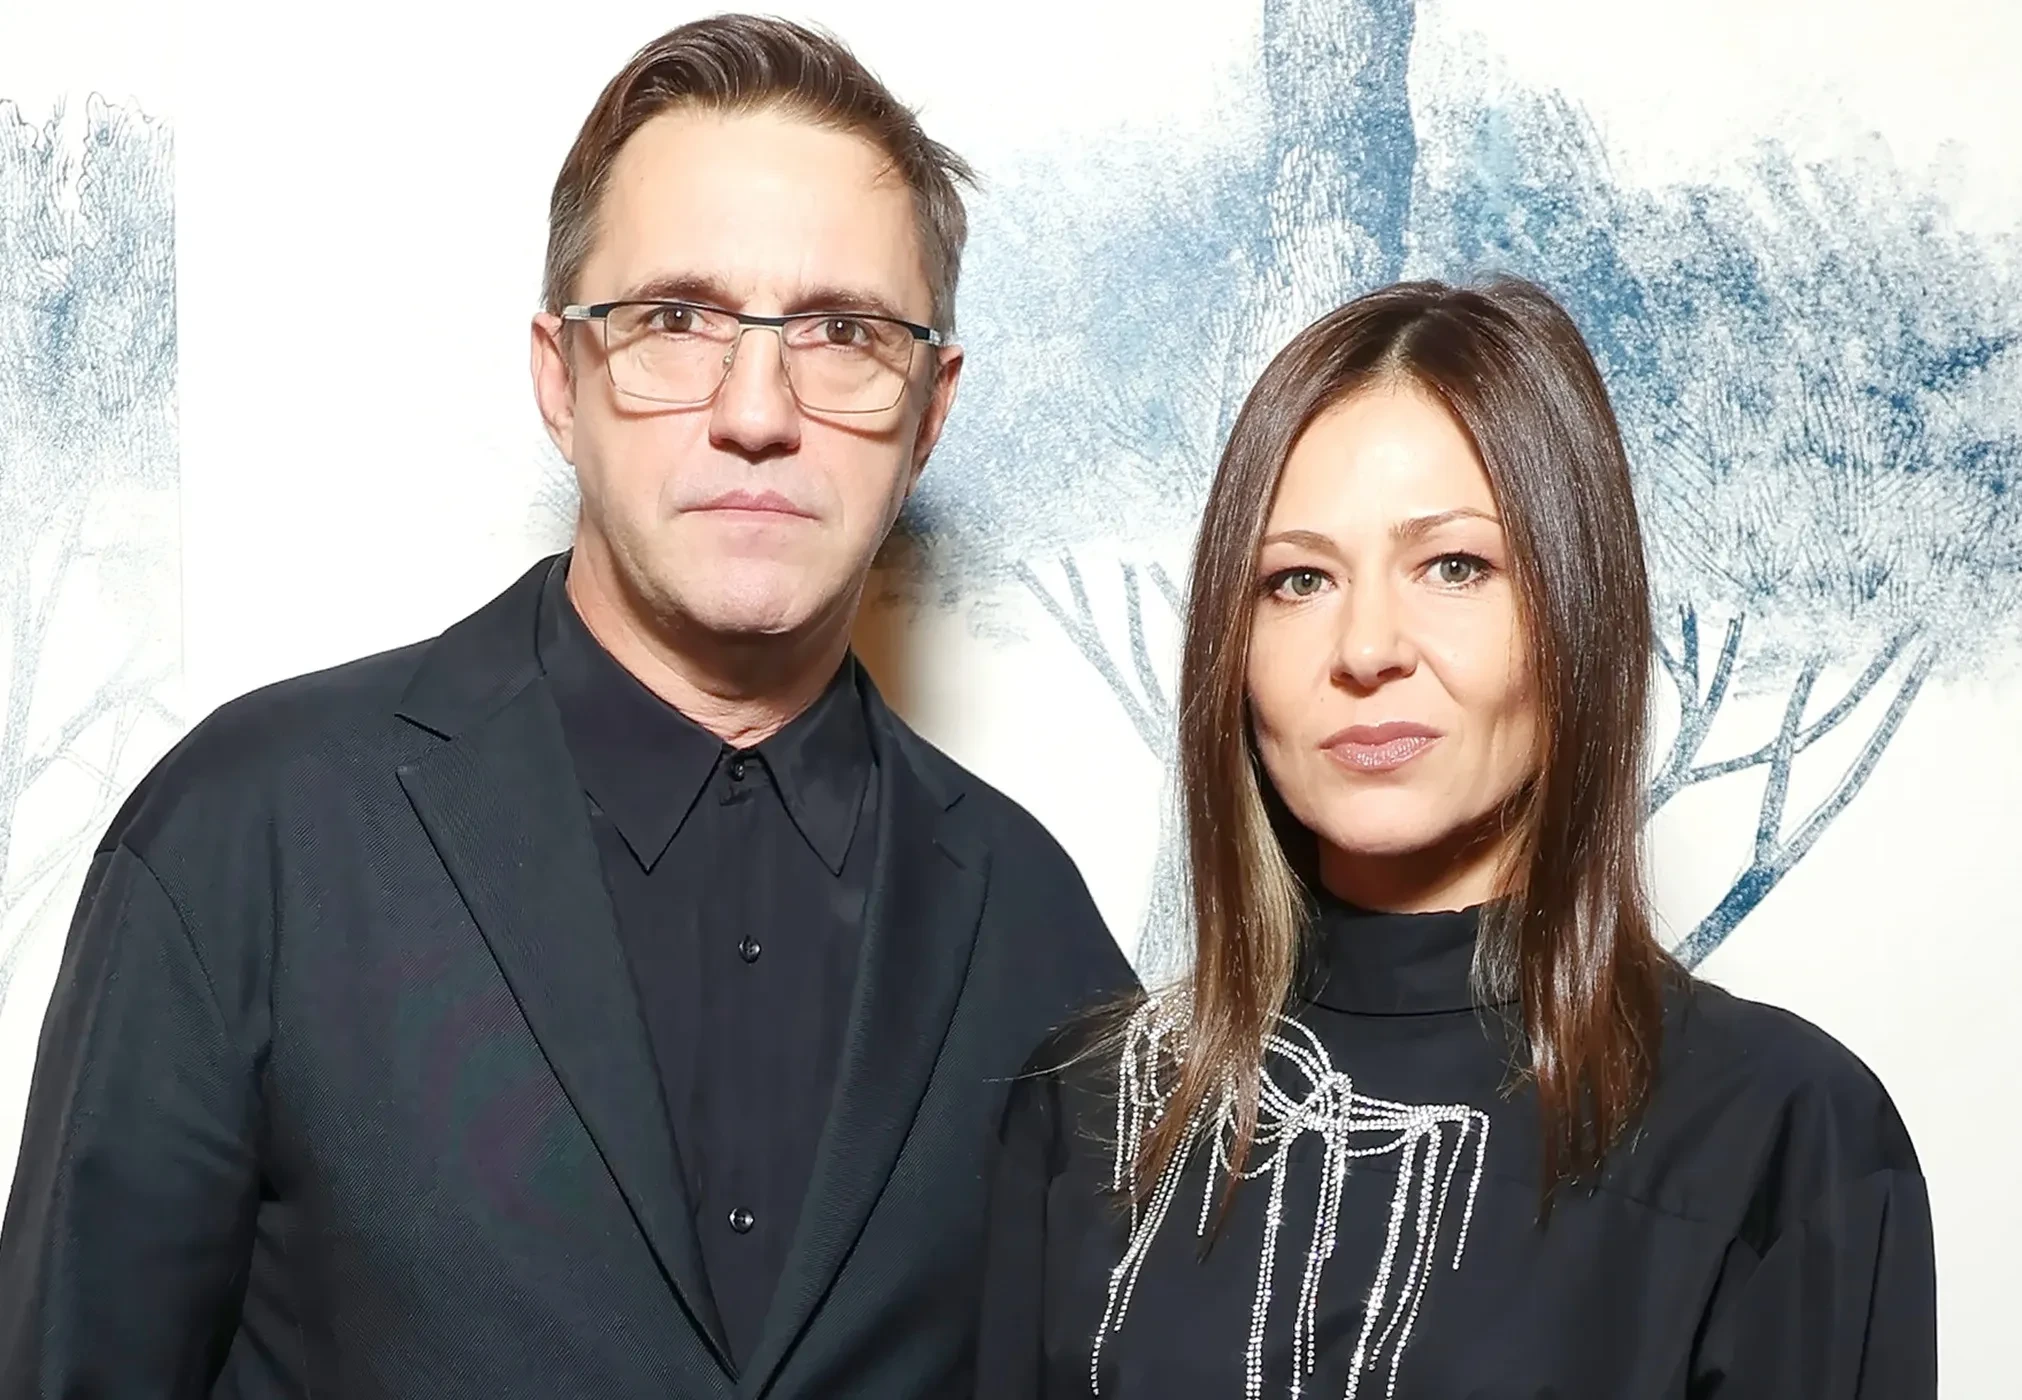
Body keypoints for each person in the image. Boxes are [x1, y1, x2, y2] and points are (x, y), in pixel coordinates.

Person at [0, 15, 1133, 1398]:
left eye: (843, 332)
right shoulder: (255, 831)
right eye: (675, 319)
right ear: (559, 376)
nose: (757, 411)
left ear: (931, 407)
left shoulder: (1034, 924)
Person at [975, 278, 1936, 1398]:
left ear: (1575, 615)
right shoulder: (1088, 1103)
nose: (1366, 647)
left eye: (1455, 567)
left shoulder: (1781, 1132)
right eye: (1298, 579)